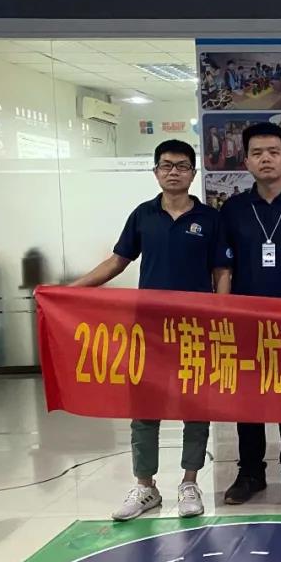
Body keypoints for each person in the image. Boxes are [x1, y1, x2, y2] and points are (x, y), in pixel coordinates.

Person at [70, 140, 217, 521]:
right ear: (155, 172)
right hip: (148, 330)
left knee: (195, 406)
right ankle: (145, 486)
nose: (173, 172)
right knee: (145, 408)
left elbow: (221, 271)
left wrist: (223, 313)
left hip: (195, 329)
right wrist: (70, 291)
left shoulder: (210, 219)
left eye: (181, 166)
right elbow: (117, 261)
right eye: (166, 165)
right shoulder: (143, 215)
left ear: (193, 173)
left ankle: (189, 483)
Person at [214, 122, 281, 505]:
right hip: (246, 321)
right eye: (257, 153)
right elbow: (223, 267)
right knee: (249, 396)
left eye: (274, 152)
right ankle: (250, 471)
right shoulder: (233, 209)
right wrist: (223, 313)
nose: (266, 159)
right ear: (246, 161)